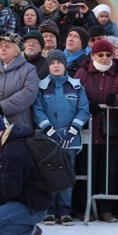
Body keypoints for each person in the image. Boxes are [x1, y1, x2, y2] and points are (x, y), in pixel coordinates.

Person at [33, 50, 90, 226]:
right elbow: (37, 110)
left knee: (67, 172)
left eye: (59, 62)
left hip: (69, 139)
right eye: (52, 63)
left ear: (65, 64)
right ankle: (49, 209)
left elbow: (84, 110)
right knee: (48, 173)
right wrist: (49, 130)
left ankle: (65, 210)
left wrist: (73, 130)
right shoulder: (41, 87)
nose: (56, 65)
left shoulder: (77, 86)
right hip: (48, 139)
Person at [75, 39, 118, 223]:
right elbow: (75, 92)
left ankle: (106, 208)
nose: (105, 58)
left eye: (108, 54)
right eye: (100, 55)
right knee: (87, 169)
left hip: (111, 129)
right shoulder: (83, 72)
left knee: (109, 171)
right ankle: (84, 208)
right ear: (93, 55)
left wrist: (117, 100)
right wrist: (86, 104)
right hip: (89, 129)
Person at [0, 32, 39, 129]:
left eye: (8, 46)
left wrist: (2, 107)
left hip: (18, 126)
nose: (3, 49)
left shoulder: (29, 69)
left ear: (17, 51)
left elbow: (29, 92)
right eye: (1, 46)